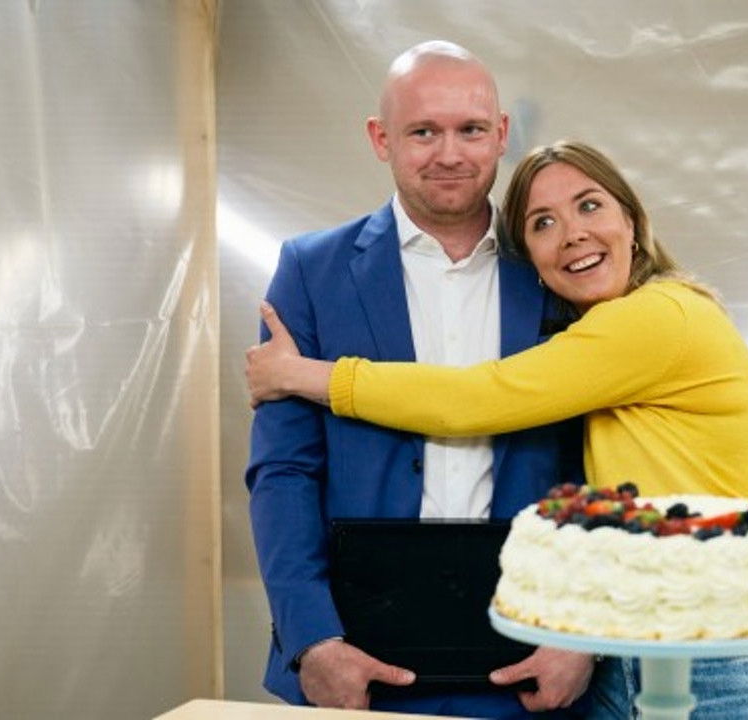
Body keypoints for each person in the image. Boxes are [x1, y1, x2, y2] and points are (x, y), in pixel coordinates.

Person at [246, 139, 748, 719]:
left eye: (589, 205)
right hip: (636, 651)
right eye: (543, 223)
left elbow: (477, 397)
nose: (573, 233)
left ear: (631, 222)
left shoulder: (660, 316)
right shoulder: (599, 340)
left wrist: (303, 374)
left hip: (726, 658)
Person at [244, 41, 597, 718]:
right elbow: (283, 474)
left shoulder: (562, 267)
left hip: (533, 660)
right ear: (382, 139)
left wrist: (583, 637)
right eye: (423, 132)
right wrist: (313, 639)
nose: (450, 154)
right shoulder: (311, 272)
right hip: (359, 662)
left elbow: (596, 467)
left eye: (471, 130)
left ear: (501, 134)